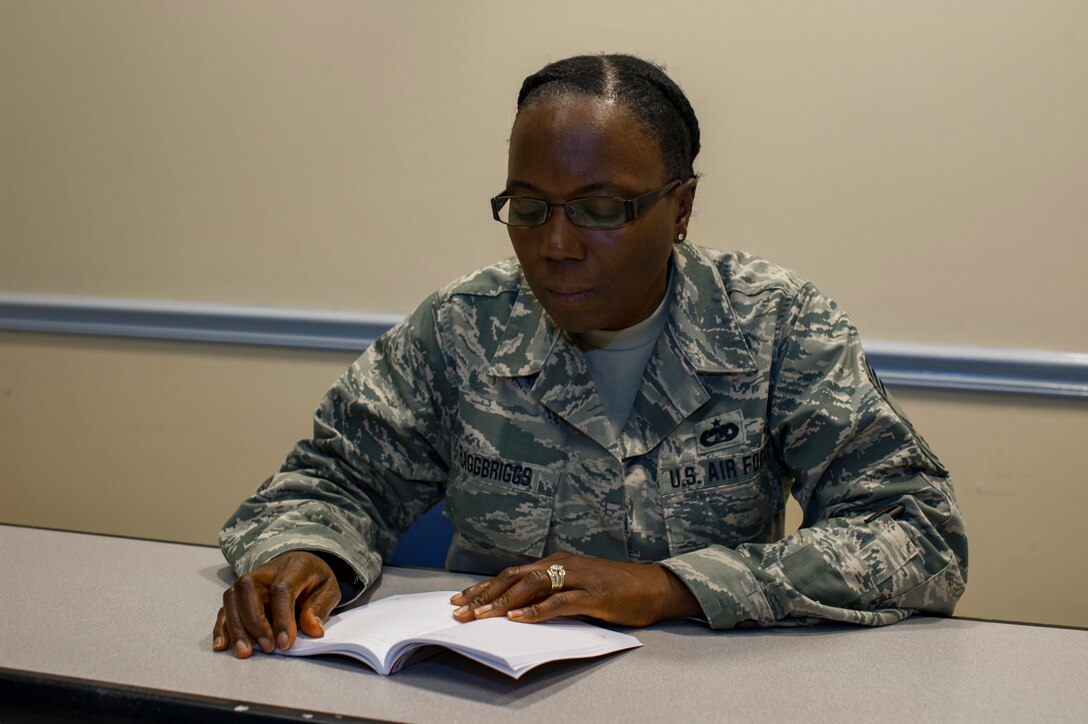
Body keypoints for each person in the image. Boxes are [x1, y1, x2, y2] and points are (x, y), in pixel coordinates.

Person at [213, 54, 967, 659]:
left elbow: (916, 533)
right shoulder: (464, 327)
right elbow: (329, 480)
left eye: (602, 210)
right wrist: (309, 553)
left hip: (710, 692)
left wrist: (669, 587)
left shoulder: (774, 326)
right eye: (530, 208)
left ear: (681, 208)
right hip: (483, 688)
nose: (557, 246)